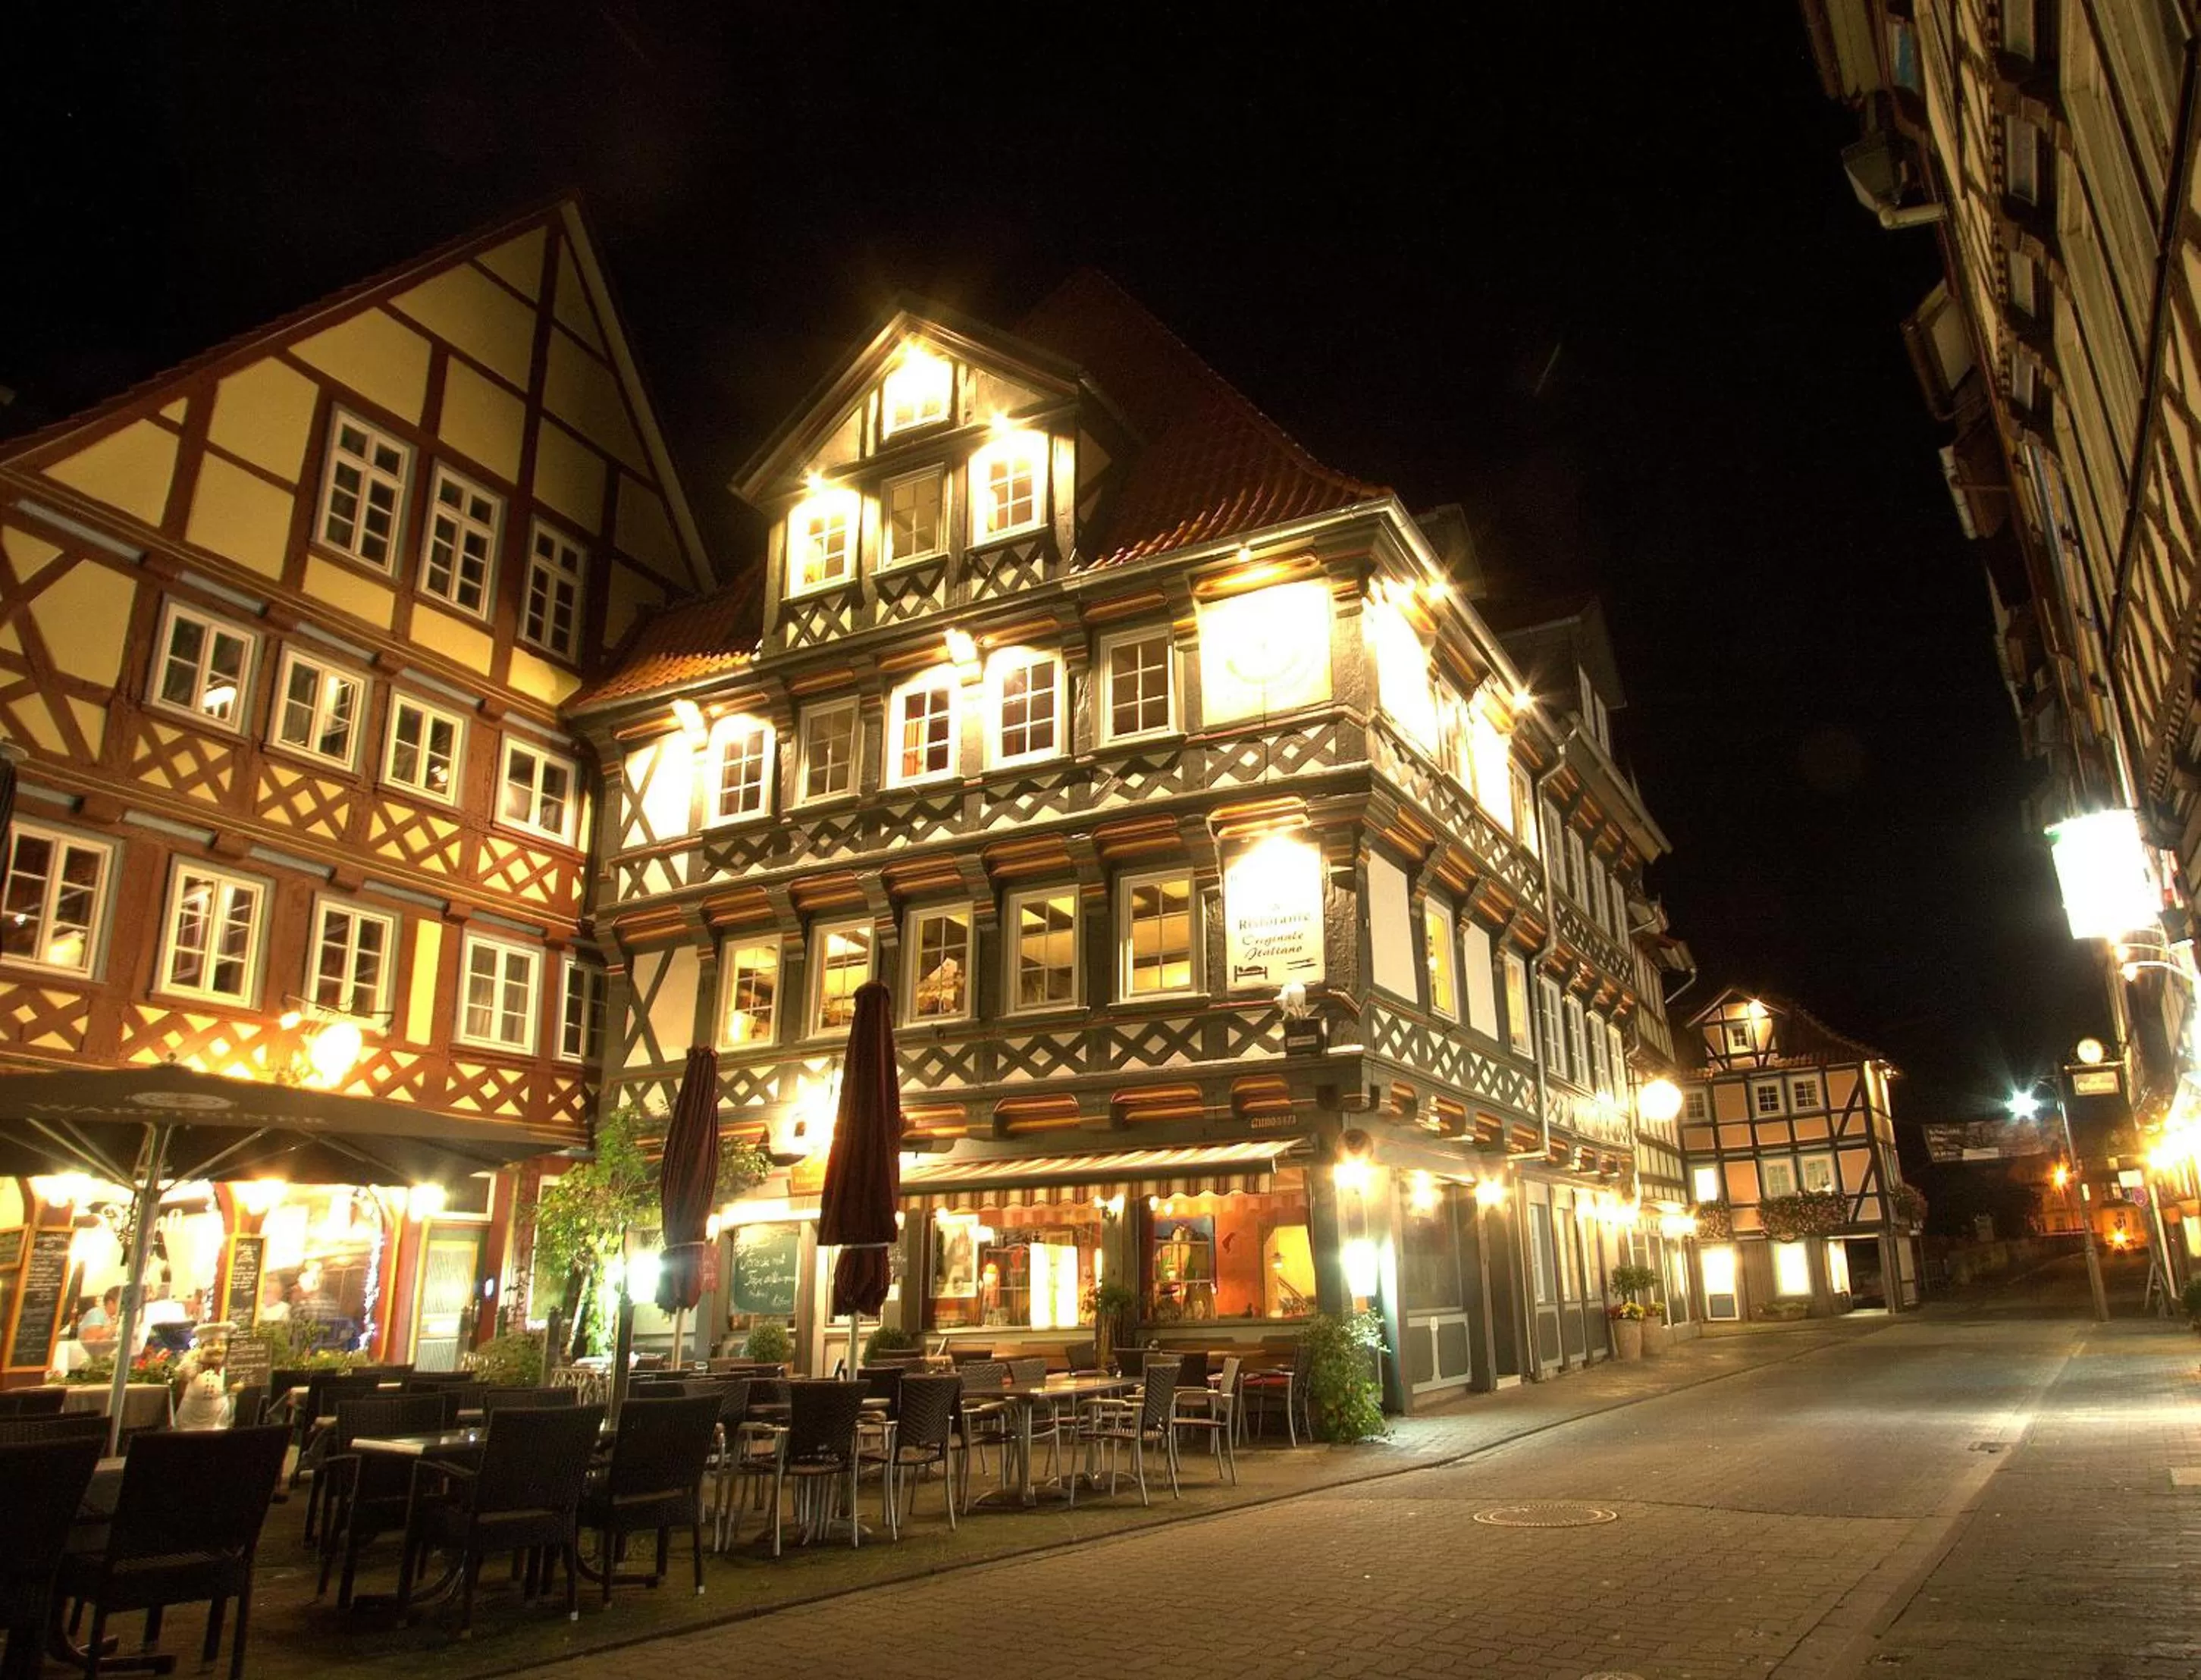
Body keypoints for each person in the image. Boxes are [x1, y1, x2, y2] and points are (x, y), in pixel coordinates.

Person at [174, 1340, 236, 1431]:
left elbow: (233, 1387)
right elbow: (181, 1387)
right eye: (211, 1344)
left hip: (218, 1416)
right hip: (191, 1415)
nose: (217, 1348)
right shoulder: (190, 1364)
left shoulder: (228, 1366)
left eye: (221, 1344)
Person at [77, 1287, 121, 1353]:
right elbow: (90, 1339)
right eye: (121, 1302)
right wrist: (111, 1329)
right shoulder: (96, 1313)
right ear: (110, 1302)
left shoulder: (111, 1318)